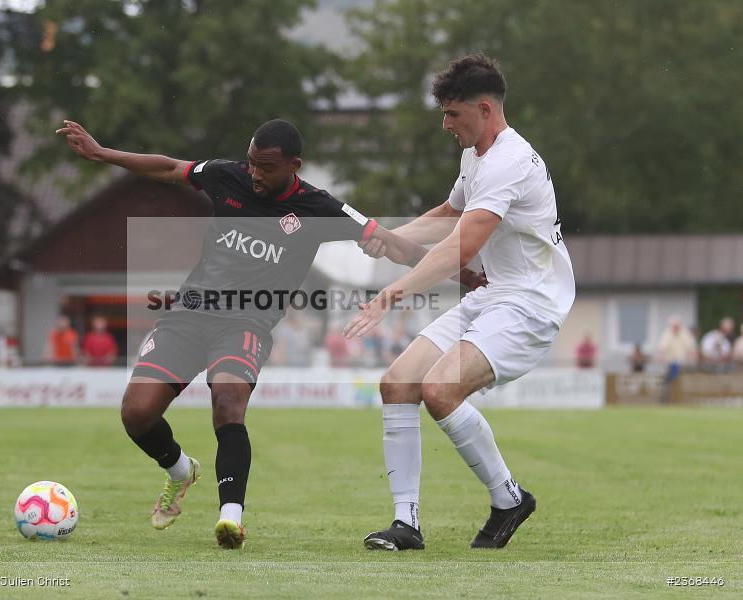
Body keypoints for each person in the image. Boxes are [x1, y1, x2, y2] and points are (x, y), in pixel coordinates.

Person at [57, 116, 485, 549]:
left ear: (293, 165)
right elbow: (170, 167)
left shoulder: (320, 208)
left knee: (227, 400)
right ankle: (181, 471)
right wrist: (102, 153)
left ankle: (230, 518)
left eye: (264, 167)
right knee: (136, 414)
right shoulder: (228, 177)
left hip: (247, 323)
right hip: (188, 315)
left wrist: (458, 274)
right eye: (251, 164)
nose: (255, 175)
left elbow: (391, 242)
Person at [346, 54, 575, 551]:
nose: (445, 123)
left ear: (485, 109)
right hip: (497, 294)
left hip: (530, 304)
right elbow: (450, 213)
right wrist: (391, 236)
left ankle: (509, 499)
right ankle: (406, 525)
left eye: (453, 114)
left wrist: (393, 292)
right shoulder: (476, 155)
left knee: (440, 390)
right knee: (399, 383)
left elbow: (462, 247)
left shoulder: (510, 161)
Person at [656, 316, 697, 382]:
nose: (675, 328)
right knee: (673, 366)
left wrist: (693, 358)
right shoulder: (667, 334)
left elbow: (691, 348)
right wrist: (661, 357)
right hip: (670, 363)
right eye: (673, 326)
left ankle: (671, 378)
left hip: (683, 363)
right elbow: (662, 348)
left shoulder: (685, 334)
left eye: (676, 326)